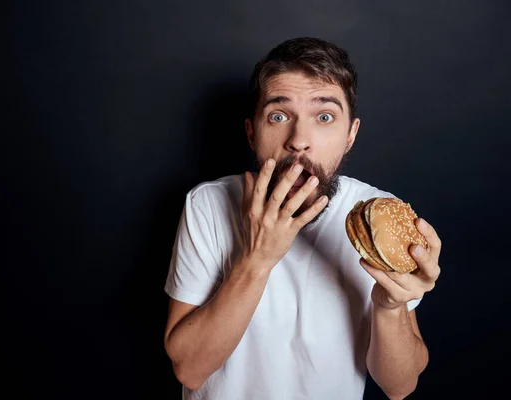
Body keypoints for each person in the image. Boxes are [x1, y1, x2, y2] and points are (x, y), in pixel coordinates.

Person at [163, 37, 442, 400]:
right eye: (279, 116)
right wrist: (257, 260)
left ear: (350, 135)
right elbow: (190, 369)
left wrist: (389, 306)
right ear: (251, 132)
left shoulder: (377, 216)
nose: (299, 140)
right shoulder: (208, 205)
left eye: (324, 117)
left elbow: (400, 386)